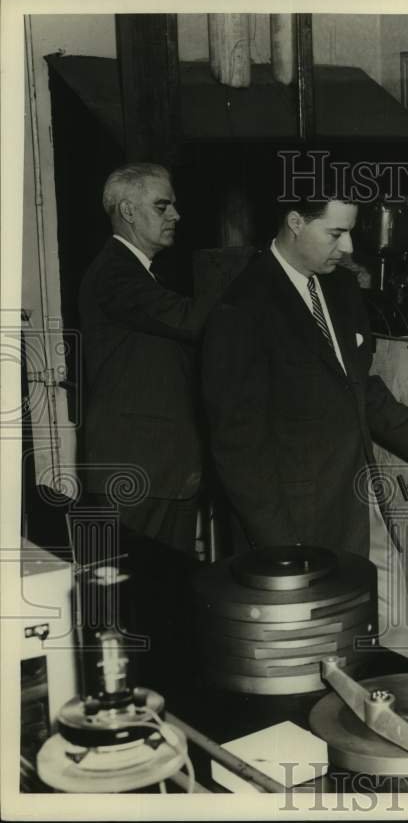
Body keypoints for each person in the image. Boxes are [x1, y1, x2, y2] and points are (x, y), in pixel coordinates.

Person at [201, 197, 408, 654]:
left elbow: (359, 385)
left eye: (350, 232)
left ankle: (398, 715)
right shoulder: (240, 310)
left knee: (397, 631)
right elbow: (237, 445)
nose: (348, 247)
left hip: (356, 498)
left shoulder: (341, 289)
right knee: (320, 653)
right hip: (292, 522)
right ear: (294, 223)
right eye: (335, 234)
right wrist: (280, 549)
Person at [78, 162, 220, 692]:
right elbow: (190, 320)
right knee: (136, 606)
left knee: (159, 600)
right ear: (128, 211)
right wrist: (271, 291)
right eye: (164, 205)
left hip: (161, 466)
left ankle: (164, 702)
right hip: (137, 468)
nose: (176, 214)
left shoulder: (137, 274)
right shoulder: (117, 274)